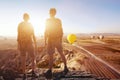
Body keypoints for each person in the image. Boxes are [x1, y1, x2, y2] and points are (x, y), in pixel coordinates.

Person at [44, 8, 69, 78]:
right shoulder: (58, 20)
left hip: (50, 40)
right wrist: (60, 40)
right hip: (57, 39)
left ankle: (50, 71)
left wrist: (45, 41)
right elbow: (61, 31)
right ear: (55, 13)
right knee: (61, 53)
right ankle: (66, 67)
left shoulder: (48, 20)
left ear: (49, 13)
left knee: (51, 55)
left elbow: (46, 31)